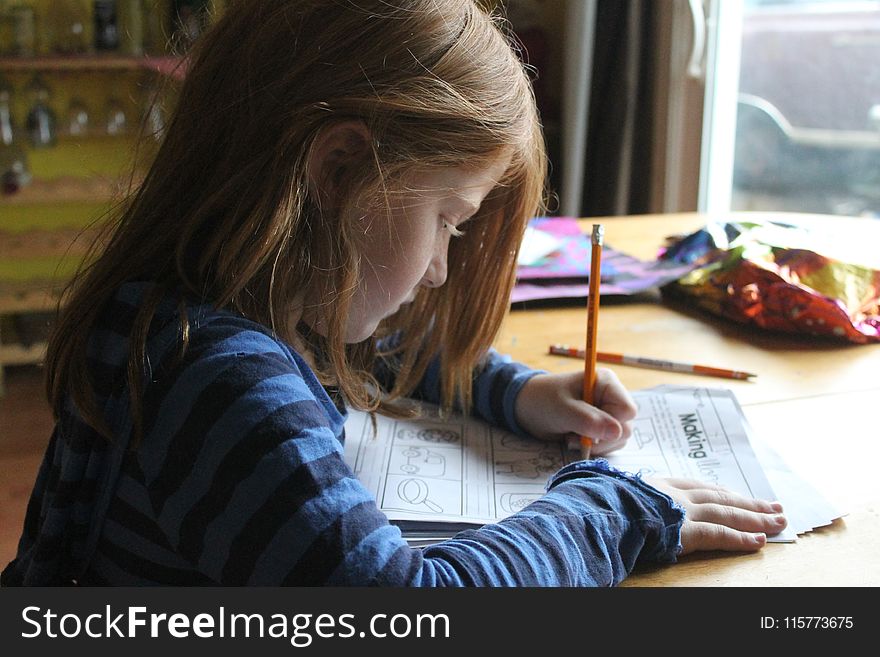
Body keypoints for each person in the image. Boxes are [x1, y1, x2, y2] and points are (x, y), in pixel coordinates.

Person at [2, 0, 786, 587]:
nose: (442, 267)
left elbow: (373, 348)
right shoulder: (220, 380)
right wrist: (612, 510)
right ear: (338, 171)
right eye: (449, 220)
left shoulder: (213, 302)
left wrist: (518, 391)